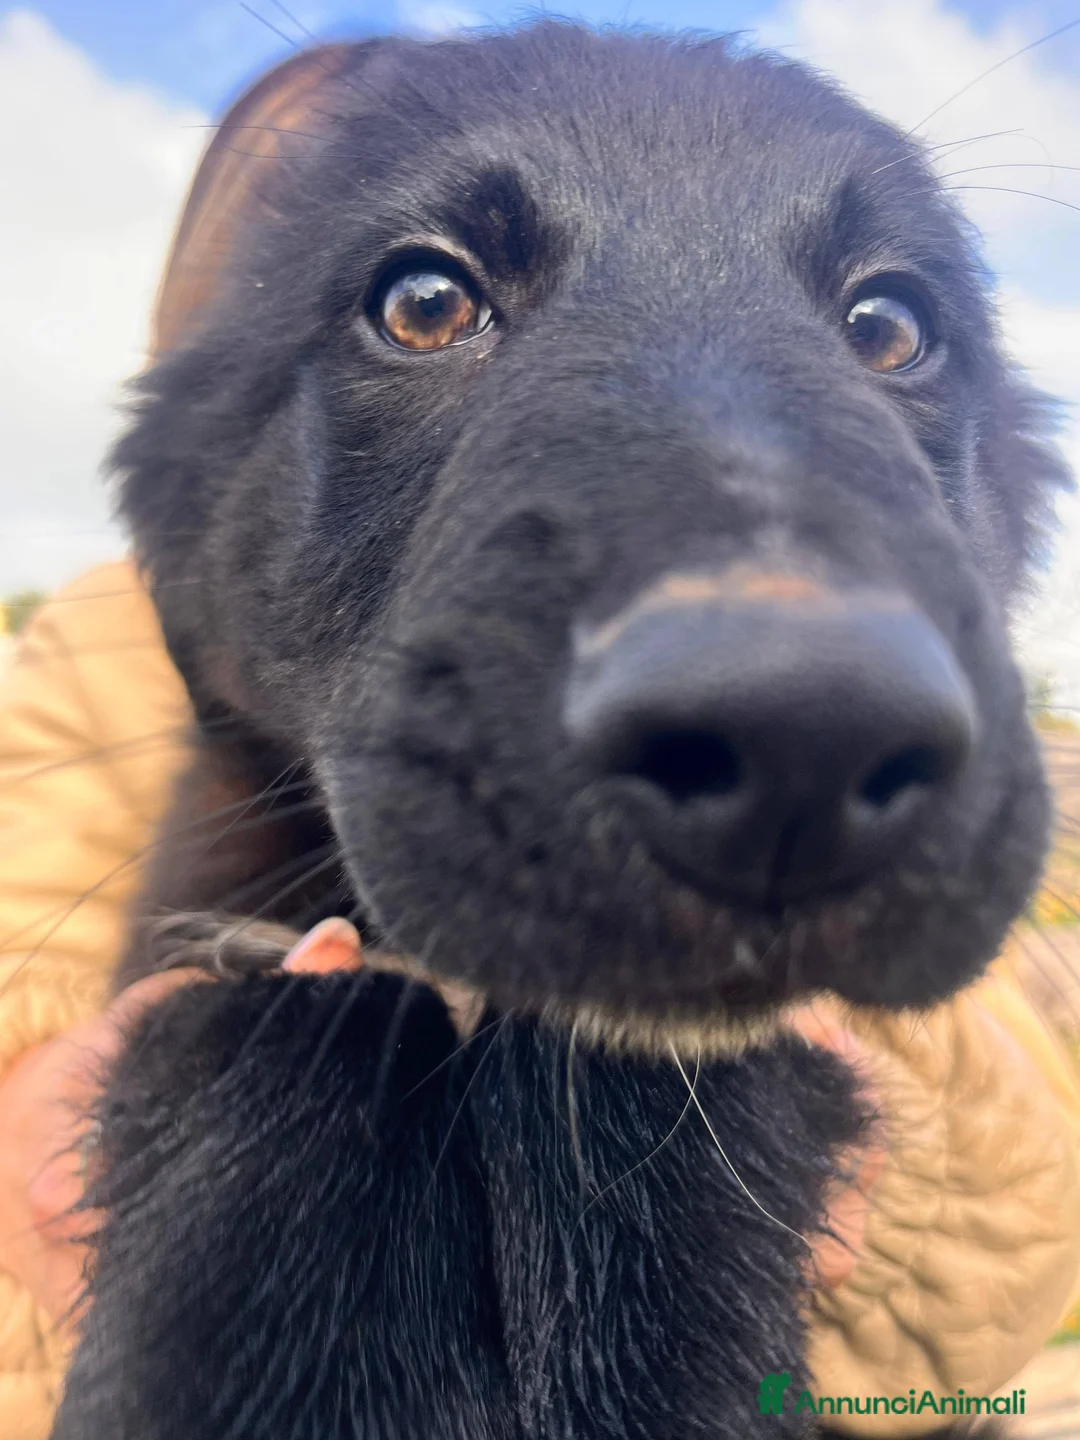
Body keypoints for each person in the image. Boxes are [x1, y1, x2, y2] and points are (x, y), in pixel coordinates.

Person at [1, 48, 1078, 1440]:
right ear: (211, 403)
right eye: (427, 300)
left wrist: (819, 1147)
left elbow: (1033, 1158)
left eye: (884, 327)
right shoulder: (95, 650)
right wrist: (126, 1136)